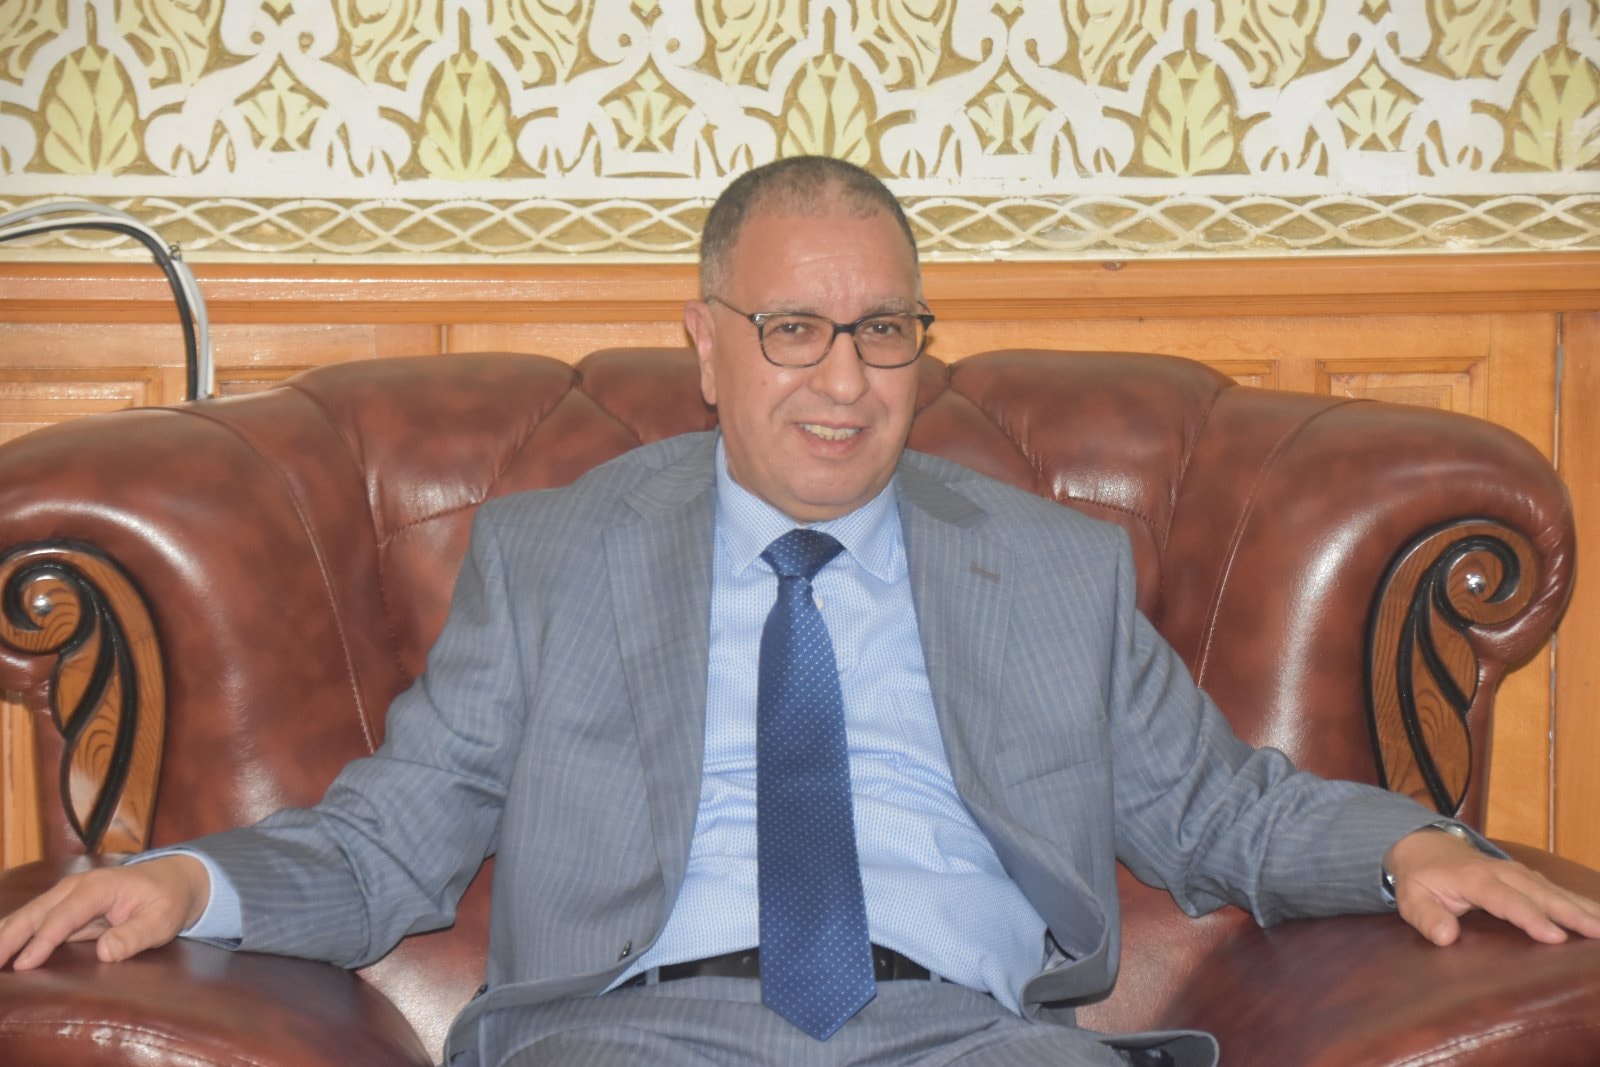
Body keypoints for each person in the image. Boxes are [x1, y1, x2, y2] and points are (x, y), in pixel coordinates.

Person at [2, 156, 1598, 1067]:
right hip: (635, 1038)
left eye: (883, 329)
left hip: (969, 1040)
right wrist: (186, 885)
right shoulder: (552, 557)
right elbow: (387, 844)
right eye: (792, 330)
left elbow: (1219, 807)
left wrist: (1411, 850)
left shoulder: (1051, 566)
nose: (844, 380)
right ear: (706, 345)